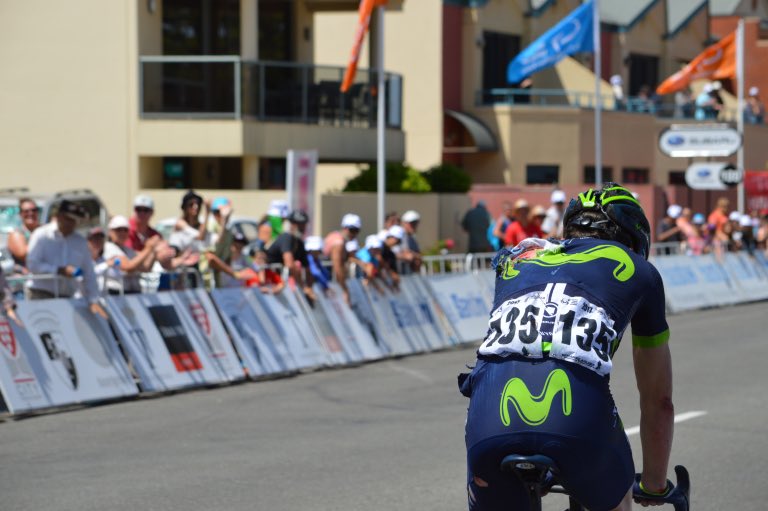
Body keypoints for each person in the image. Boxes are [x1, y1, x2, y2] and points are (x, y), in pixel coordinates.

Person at [460, 183, 673, 511]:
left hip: (490, 420)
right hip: (577, 423)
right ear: (634, 237)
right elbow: (659, 401)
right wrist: (655, 484)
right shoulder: (641, 271)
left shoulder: (517, 256)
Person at [25, 200, 107, 316]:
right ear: (58, 216)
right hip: (40, 294)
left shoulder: (80, 242)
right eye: (68, 219)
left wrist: (93, 300)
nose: (71, 223)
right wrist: (58, 270)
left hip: (67, 297)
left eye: (74, 220)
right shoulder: (41, 235)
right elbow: (32, 264)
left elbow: (89, 273)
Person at [265, 209, 315, 302]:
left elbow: (307, 268)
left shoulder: (299, 243)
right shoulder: (286, 237)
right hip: (270, 279)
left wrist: (309, 287)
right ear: (292, 224)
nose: (302, 227)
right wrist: (303, 287)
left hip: (281, 281)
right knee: (295, 264)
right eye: (299, 224)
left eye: (304, 224)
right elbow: (290, 264)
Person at [103, 215, 158, 294]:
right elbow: (128, 267)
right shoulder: (108, 248)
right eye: (118, 230)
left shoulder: (129, 250)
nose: (122, 233)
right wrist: (148, 248)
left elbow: (145, 268)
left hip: (132, 293)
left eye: (125, 230)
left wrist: (154, 250)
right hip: (115, 293)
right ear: (110, 232)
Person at [324, 213, 362, 304]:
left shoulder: (338, 237)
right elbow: (337, 267)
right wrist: (345, 289)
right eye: (352, 230)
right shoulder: (339, 243)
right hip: (327, 280)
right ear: (345, 228)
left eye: (357, 230)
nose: (355, 234)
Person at [7, 197, 41, 268]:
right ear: (20, 214)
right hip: (25, 276)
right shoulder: (16, 233)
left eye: (34, 210)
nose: (31, 213)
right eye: (26, 211)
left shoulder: (43, 229)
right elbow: (24, 255)